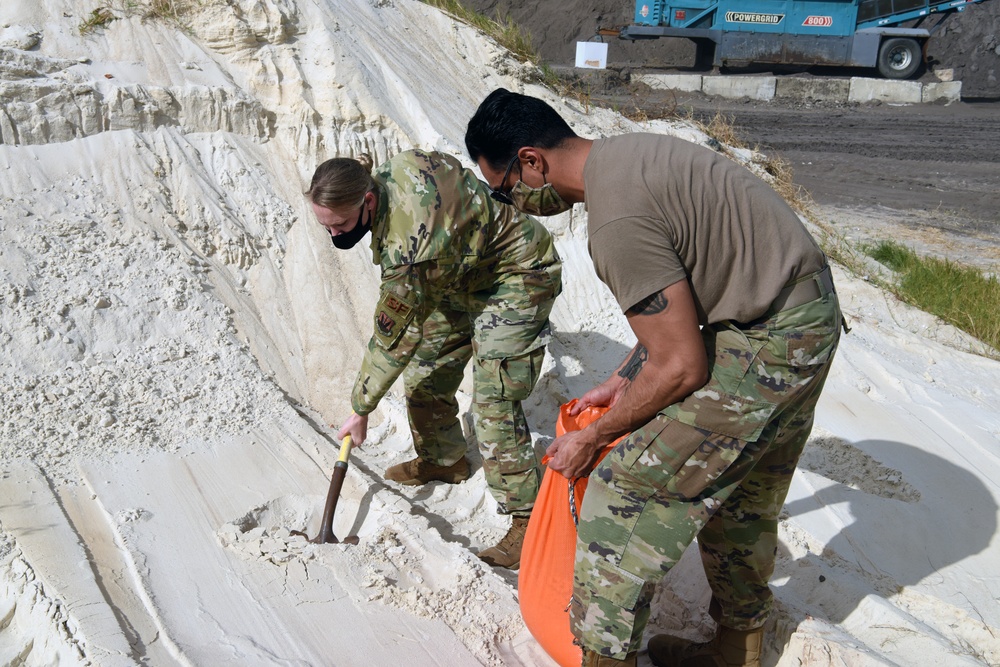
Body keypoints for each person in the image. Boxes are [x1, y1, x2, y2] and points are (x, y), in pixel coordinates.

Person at [465, 89, 844, 666]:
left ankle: (604, 659)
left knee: (624, 489)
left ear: (531, 160)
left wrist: (592, 437)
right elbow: (681, 306)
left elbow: (682, 365)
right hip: (801, 313)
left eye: (506, 189)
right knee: (742, 493)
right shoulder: (627, 157)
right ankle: (735, 650)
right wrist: (625, 377)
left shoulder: (615, 222)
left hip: (768, 339)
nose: (514, 204)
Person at [305, 148, 561, 569]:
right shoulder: (391, 170)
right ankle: (445, 460)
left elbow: (392, 341)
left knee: (494, 398)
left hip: (516, 273)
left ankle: (528, 518)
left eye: (342, 225)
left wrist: (360, 409)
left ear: (368, 201)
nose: (335, 235)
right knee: (426, 370)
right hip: (459, 271)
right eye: (326, 227)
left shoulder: (410, 250)